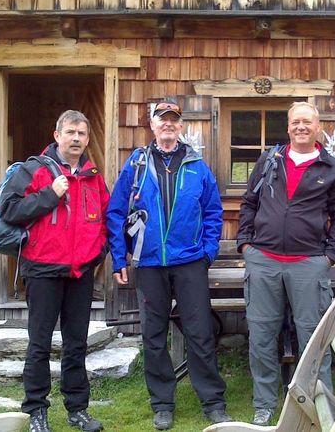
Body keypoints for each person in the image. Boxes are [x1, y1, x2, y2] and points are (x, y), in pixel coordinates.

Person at [106, 101, 231, 431]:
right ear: (152, 125)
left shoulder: (196, 166)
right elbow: (116, 213)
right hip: (149, 263)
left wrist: (207, 253)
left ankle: (213, 402)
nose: (168, 125)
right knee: (153, 336)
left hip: (189, 262)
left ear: (181, 126)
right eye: (162, 120)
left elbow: (213, 212)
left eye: (174, 120)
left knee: (200, 333)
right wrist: (119, 257)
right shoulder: (137, 164)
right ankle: (162, 404)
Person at [237, 101, 335, 426]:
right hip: (263, 260)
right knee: (261, 335)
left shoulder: (333, 169)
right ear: (288, 127)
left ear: (318, 127)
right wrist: (245, 244)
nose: (301, 127)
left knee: (313, 337)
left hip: (308, 263)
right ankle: (264, 404)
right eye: (295, 122)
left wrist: (329, 255)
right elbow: (249, 202)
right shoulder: (269, 160)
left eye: (307, 122)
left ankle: (319, 402)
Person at [1, 110, 108, 432]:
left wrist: (98, 253)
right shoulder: (33, 170)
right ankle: (37, 411)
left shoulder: (93, 176)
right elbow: (9, 210)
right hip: (42, 270)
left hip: (80, 272)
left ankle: (77, 409)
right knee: (40, 344)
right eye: (70, 132)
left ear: (87, 139)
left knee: (76, 344)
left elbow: (105, 218)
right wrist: (50, 195)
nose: (76, 138)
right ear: (57, 135)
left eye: (82, 134)